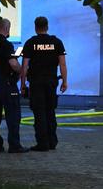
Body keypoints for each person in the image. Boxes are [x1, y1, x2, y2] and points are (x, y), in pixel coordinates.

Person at [21, 16, 68, 151]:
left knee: (39, 113)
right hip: (51, 82)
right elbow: (62, 64)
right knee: (50, 111)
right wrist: (65, 81)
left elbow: (24, 66)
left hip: (36, 83)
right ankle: (52, 142)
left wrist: (22, 85)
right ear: (47, 27)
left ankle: (42, 143)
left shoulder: (30, 43)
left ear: (36, 28)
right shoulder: (56, 42)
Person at [0, 18, 28, 153]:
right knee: (13, 115)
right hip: (7, 84)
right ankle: (14, 145)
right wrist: (23, 71)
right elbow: (13, 64)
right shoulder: (6, 44)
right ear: (7, 28)